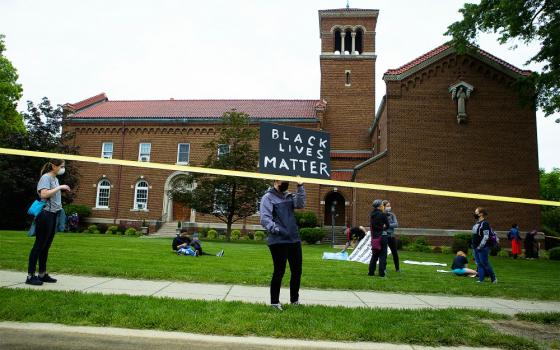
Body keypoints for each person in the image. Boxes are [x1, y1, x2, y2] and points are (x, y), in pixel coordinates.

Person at [260, 179, 306, 311]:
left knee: (297, 271)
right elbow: (264, 219)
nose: (285, 182)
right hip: (278, 241)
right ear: (275, 181)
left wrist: (300, 186)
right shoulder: (267, 198)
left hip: (294, 239)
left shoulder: (289, 196)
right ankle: (275, 302)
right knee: (279, 271)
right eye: (282, 180)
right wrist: (278, 230)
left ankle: (294, 301)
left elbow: (301, 204)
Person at [26, 159, 71, 286]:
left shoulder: (55, 179)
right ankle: (30, 276)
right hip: (45, 215)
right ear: (53, 166)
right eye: (61, 166)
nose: (63, 169)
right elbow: (43, 195)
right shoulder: (46, 178)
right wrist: (60, 187)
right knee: (39, 245)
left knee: (46, 246)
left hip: (53, 215)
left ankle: (42, 274)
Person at [471, 207, 497, 284]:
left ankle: (493, 278)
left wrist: (480, 246)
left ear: (481, 214)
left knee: (485, 263)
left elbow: (486, 236)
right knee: (479, 264)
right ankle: (481, 280)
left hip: (483, 248)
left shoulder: (485, 223)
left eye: (476, 212)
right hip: (475, 247)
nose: (474, 214)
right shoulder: (477, 223)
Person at [368, 199, 390, 278]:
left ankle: (371, 272)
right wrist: (383, 227)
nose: (383, 207)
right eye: (382, 205)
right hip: (382, 236)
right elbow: (387, 225)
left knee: (374, 256)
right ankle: (381, 273)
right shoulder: (382, 214)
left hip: (375, 238)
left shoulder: (371, 214)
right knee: (383, 256)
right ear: (380, 206)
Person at [382, 200, 400, 272]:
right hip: (384, 236)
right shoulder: (381, 215)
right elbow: (382, 226)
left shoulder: (392, 215)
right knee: (384, 253)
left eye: (390, 206)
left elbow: (396, 224)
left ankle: (397, 268)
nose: (389, 207)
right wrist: (389, 225)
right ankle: (384, 268)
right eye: (387, 206)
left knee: (395, 252)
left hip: (391, 236)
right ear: (383, 207)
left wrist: (387, 225)